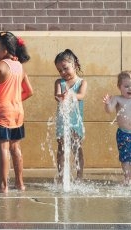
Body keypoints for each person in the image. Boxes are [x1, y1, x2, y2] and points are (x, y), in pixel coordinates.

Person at [0, 31, 33, 193]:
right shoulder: (19, 66)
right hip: (17, 112)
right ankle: (20, 183)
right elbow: (29, 91)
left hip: (2, 112)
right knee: (15, 148)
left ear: (5, 48)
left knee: (3, 149)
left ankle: (3, 185)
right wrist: (15, 100)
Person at [103, 70, 131, 188]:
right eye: (127, 86)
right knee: (125, 158)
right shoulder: (117, 99)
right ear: (119, 87)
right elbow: (109, 111)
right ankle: (128, 178)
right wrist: (108, 103)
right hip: (123, 133)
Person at [54, 49, 87, 182]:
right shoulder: (59, 82)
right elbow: (56, 96)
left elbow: (81, 95)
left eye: (65, 68)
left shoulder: (82, 82)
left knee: (76, 147)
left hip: (76, 120)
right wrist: (61, 96)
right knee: (61, 147)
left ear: (75, 66)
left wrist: (71, 95)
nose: (63, 73)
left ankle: (79, 176)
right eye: (60, 70)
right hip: (63, 119)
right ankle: (62, 175)